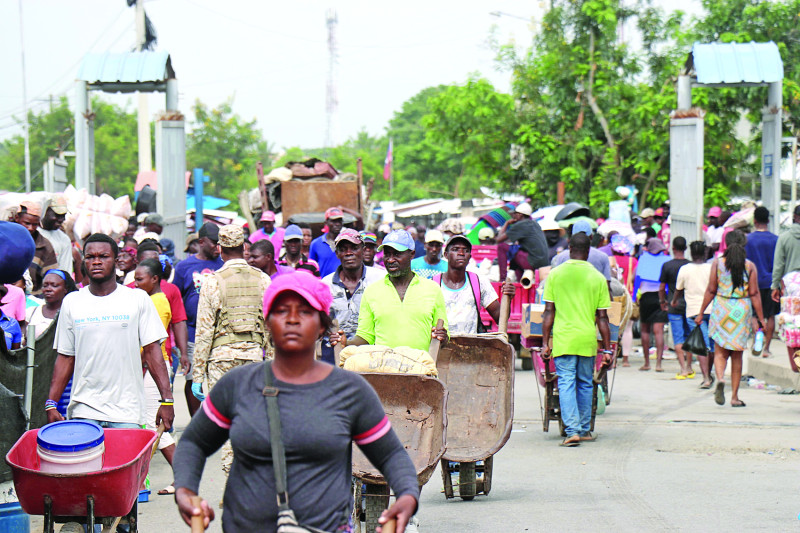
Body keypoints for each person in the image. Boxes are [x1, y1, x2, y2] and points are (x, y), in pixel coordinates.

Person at [173, 271, 419, 532]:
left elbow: (391, 454)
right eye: (281, 311)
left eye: (304, 311)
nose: (292, 319)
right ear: (267, 321)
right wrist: (185, 490)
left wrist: (406, 496)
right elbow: (194, 443)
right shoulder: (238, 385)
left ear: (322, 325)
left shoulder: (350, 391)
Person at [45, 234, 174, 431]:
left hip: (127, 412)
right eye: (90, 257)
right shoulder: (72, 302)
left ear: (116, 261)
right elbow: (65, 357)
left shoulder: (137, 299)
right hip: (84, 410)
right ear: (84, 261)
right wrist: (51, 403)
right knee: (87, 462)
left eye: (103, 256)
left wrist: (166, 400)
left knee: (125, 463)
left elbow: (152, 351)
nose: (96, 262)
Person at [192, 225, 272, 475]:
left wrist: (198, 375)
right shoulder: (263, 280)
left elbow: (204, 331)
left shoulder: (212, 282)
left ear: (219, 248)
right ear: (244, 247)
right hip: (253, 358)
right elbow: (270, 327)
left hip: (220, 360)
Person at [541, 233, 612, 446]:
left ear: (569, 248)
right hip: (587, 340)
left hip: (563, 339)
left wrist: (546, 343)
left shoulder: (555, 274)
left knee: (566, 383)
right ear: (589, 251)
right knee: (585, 383)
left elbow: (548, 312)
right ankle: (584, 429)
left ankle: (571, 431)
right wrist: (607, 350)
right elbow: (603, 318)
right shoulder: (598, 277)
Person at [341, 230, 448, 351]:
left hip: (421, 367)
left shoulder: (432, 290)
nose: (390, 260)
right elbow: (366, 336)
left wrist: (442, 337)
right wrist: (347, 343)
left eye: (397, 254)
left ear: (412, 254)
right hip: (383, 367)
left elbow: (443, 336)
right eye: (387, 254)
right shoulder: (372, 291)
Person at [697, 230, 765, 407]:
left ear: (726, 244)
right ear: (743, 244)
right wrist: (761, 318)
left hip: (722, 308)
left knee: (720, 351)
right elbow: (754, 293)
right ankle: (734, 397)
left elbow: (711, 290)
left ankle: (720, 378)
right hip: (740, 310)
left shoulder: (718, 264)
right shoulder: (749, 266)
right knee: (737, 355)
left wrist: (700, 312)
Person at [133, 258, 179, 494]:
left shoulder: (158, 303)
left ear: (154, 279)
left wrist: (138, 366)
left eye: (140, 279)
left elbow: (149, 344)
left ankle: (142, 482)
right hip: (148, 367)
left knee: (153, 425)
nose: (135, 283)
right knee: (151, 424)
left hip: (153, 368)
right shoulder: (150, 299)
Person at [172, 222, 224, 416]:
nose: (217, 248)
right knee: (194, 379)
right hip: (193, 332)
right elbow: (176, 299)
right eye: (213, 243)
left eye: (220, 243)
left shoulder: (224, 264)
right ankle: (197, 420)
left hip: (219, 333)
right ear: (201, 242)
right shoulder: (185, 267)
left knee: (218, 378)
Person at [323, 229, 386, 363]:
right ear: (337, 254)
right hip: (334, 353)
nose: (349, 253)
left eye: (354, 248)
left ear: (363, 250)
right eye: (343, 249)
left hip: (372, 354)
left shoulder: (380, 279)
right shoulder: (325, 285)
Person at [129, 242, 189, 379]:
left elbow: (178, 321)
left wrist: (183, 353)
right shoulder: (129, 290)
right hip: (134, 360)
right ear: (138, 262)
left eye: (156, 261)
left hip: (162, 356)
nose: (152, 265)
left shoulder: (170, 290)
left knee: (162, 397)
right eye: (147, 261)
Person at [435, 234, 514, 335]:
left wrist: (509, 298)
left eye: (466, 250)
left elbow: (500, 318)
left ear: (470, 257)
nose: (461, 253)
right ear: (446, 255)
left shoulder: (479, 282)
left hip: (471, 347)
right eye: (455, 249)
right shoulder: (434, 284)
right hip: (442, 347)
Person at [674, 241, 714, 388]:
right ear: (705, 253)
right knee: (712, 345)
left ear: (691, 253)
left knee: (700, 346)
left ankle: (706, 378)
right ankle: (710, 373)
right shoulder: (711, 268)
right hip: (712, 310)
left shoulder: (684, 269)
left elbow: (679, 289)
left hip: (694, 312)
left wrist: (673, 301)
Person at [744, 206, 778, 357]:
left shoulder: (748, 240)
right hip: (771, 283)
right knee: (770, 315)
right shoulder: (776, 239)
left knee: (755, 315)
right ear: (768, 221)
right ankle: (766, 349)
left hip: (753, 283)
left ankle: (757, 342)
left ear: (755, 220)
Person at [770, 205, 800, 372]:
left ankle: (796, 366)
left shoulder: (784, 237)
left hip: (790, 287)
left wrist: (775, 286)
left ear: (794, 216)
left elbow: (779, 264)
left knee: (792, 326)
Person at [636, 238, 671, 372]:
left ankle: (646, 363)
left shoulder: (643, 259)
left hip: (646, 296)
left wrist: (635, 297)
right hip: (661, 296)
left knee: (645, 329)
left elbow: (636, 278)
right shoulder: (666, 260)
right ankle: (658, 364)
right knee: (659, 331)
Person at [658, 237, 691, 378]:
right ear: (685, 248)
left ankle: (683, 368)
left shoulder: (667, 265)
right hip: (689, 305)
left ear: (673, 248)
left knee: (678, 337)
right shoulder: (690, 266)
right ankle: (689, 367)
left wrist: (662, 301)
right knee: (689, 337)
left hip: (674, 304)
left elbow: (661, 287)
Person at [496, 202, 549, 281]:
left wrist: (506, 223)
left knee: (502, 247)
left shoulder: (520, 225)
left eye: (515, 214)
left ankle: (502, 279)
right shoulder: (535, 224)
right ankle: (519, 281)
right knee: (515, 253)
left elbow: (498, 240)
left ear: (520, 215)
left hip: (533, 262)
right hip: (542, 263)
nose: (513, 216)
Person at [15, 200, 58, 296]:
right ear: (17, 218)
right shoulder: (5, 239)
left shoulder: (44, 246)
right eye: (27, 223)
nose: (30, 228)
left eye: (35, 224)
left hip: (33, 298)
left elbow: (51, 276)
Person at [611, 235, 637, 367]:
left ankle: (613, 358)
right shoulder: (633, 261)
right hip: (629, 297)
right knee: (628, 329)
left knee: (613, 328)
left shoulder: (611, 260)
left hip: (614, 296)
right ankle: (626, 359)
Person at [39, 195, 73, 275]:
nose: (61, 219)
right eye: (57, 215)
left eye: (63, 215)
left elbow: (65, 271)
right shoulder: (33, 234)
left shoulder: (64, 239)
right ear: (46, 211)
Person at [310, 207, 345, 278]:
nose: (337, 224)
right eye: (334, 221)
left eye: (339, 221)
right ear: (326, 223)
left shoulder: (346, 242)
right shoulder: (316, 244)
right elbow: (311, 267)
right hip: (324, 286)